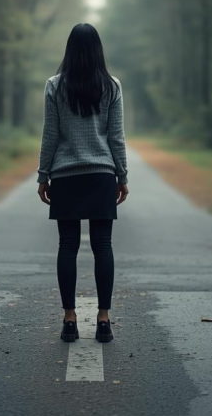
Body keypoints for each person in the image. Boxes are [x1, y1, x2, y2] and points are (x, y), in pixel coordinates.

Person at [37, 23, 129, 344]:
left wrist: (43, 175)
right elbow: (115, 137)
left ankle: (70, 320)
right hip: (102, 174)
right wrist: (123, 176)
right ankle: (103, 320)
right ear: (98, 50)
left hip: (64, 175)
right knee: (103, 245)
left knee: (67, 246)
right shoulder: (112, 86)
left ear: (70, 50)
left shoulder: (54, 86)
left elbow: (50, 135)